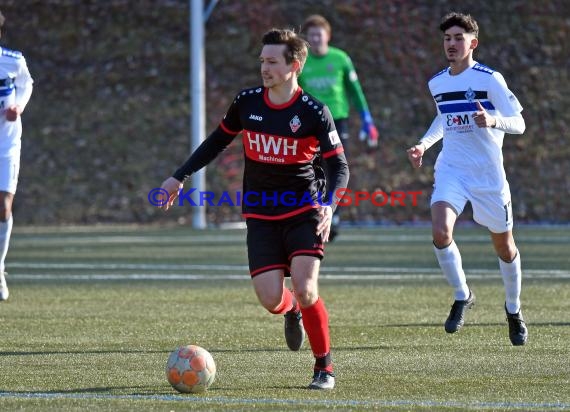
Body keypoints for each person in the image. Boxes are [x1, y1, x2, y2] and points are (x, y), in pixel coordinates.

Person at [159, 28, 349, 389]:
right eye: (262, 60)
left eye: (272, 61)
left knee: (308, 288)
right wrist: (178, 176)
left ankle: (324, 367)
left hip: (304, 210)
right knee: (269, 298)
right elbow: (217, 141)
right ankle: (291, 310)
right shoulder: (247, 103)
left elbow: (339, 166)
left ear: (294, 66)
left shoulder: (313, 112)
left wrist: (329, 205)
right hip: (261, 214)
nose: (264, 67)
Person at [406, 12, 528, 346]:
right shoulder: (437, 83)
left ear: (473, 43)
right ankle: (463, 295)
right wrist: (423, 145)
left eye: (459, 38)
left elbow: (519, 123)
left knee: (504, 246)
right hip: (452, 170)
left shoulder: (491, 79)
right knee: (440, 230)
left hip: (488, 176)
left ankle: (513, 310)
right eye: (447, 38)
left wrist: (492, 120)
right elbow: (443, 119)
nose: (452, 44)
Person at [299, 14, 378, 240]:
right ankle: (312, 213)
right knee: (311, 169)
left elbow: (355, 92)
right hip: (308, 124)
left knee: (335, 167)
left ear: (327, 36)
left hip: (336, 123)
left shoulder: (341, 58)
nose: (315, 38)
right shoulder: (302, 61)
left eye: (319, 34)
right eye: (311, 34)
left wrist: (367, 119)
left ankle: (333, 214)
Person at [0, 10, 33, 302]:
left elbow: (26, 84)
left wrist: (18, 106)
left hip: (5, 143)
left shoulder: (12, 60)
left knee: (3, 206)